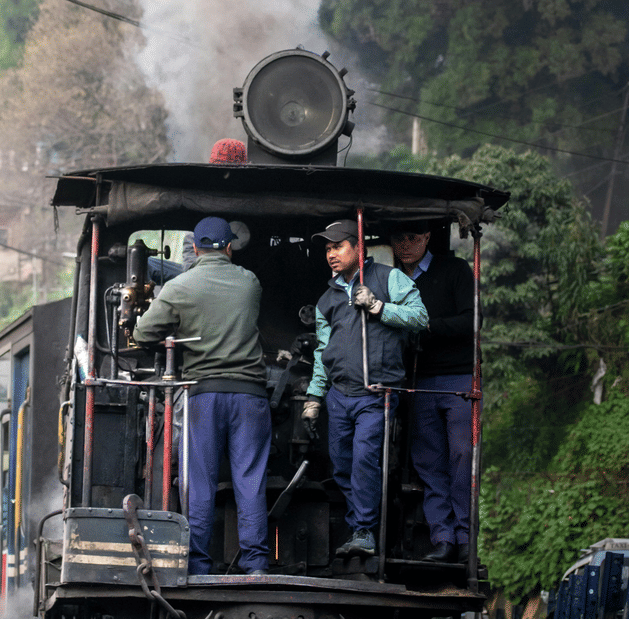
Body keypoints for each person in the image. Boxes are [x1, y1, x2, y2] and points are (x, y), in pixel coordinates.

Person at [133, 216, 271, 576]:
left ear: (194, 248)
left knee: (200, 483)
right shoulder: (250, 283)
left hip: (203, 395)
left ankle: (198, 565)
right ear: (229, 246)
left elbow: (143, 332)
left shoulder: (179, 286)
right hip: (250, 395)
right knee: (250, 481)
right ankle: (256, 565)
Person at [302, 219, 428, 558]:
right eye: (327, 249)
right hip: (339, 396)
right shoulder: (327, 299)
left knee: (364, 463)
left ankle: (364, 531)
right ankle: (361, 526)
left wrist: (378, 307)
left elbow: (420, 318)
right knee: (341, 465)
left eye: (338, 246)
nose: (331, 254)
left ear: (360, 248)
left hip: (377, 393)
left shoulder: (390, 278)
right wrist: (315, 397)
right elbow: (321, 352)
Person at [389, 220, 479, 564]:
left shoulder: (454, 270)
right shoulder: (390, 279)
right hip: (417, 380)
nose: (406, 243)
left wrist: (424, 325)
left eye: (413, 236)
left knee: (461, 458)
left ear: (427, 237)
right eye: (399, 237)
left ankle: (466, 538)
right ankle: (442, 537)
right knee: (428, 462)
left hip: (457, 378)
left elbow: (472, 320)